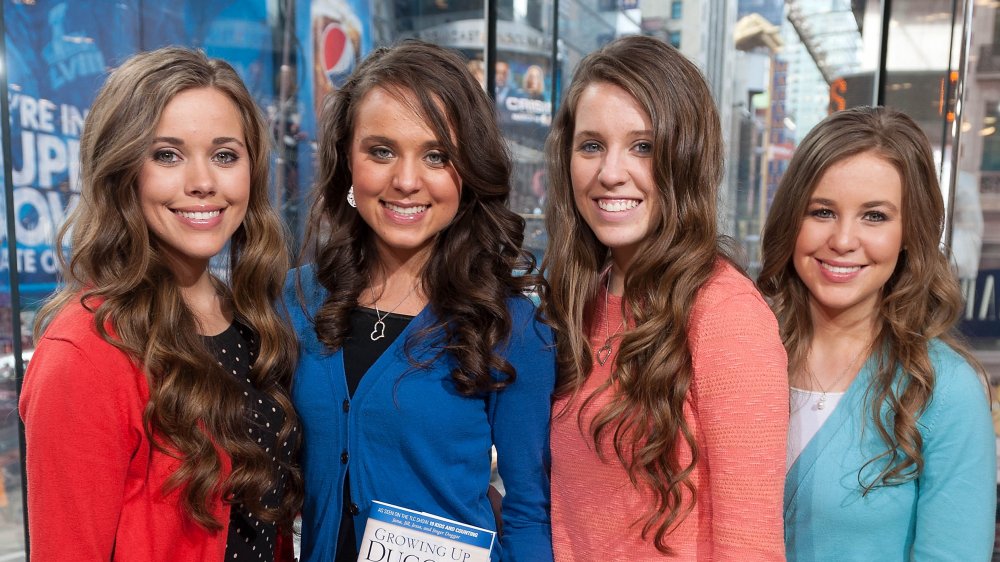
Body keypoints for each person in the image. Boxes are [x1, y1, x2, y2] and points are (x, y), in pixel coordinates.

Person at [18, 47, 302, 561]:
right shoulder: (85, 353)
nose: (202, 182)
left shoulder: (250, 321)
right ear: (123, 170)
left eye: (224, 155)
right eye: (167, 154)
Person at [287, 39, 555, 562]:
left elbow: (530, 509)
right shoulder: (294, 298)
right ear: (347, 160)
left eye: (437, 156)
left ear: (469, 170)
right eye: (381, 151)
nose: (406, 182)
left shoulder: (514, 327)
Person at [542, 35, 788, 560]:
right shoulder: (578, 299)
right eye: (591, 145)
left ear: (686, 157)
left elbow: (751, 545)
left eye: (643, 146)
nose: (610, 172)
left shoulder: (726, 315)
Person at [758, 106, 996, 560]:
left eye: (875, 217)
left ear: (910, 232)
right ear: (792, 219)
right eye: (822, 211)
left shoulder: (945, 390)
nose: (844, 240)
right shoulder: (740, 354)